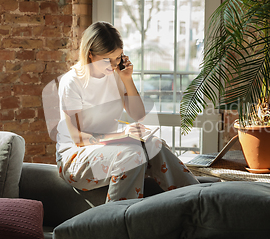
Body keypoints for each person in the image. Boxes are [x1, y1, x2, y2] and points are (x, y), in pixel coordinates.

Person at [55, 21, 199, 202]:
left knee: (155, 144)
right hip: (75, 159)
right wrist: (122, 135)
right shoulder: (72, 82)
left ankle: (199, 200)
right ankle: (116, 220)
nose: (113, 65)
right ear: (90, 54)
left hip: (111, 149)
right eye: (107, 59)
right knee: (132, 154)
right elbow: (79, 139)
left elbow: (138, 114)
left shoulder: (116, 75)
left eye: (118, 58)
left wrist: (127, 79)